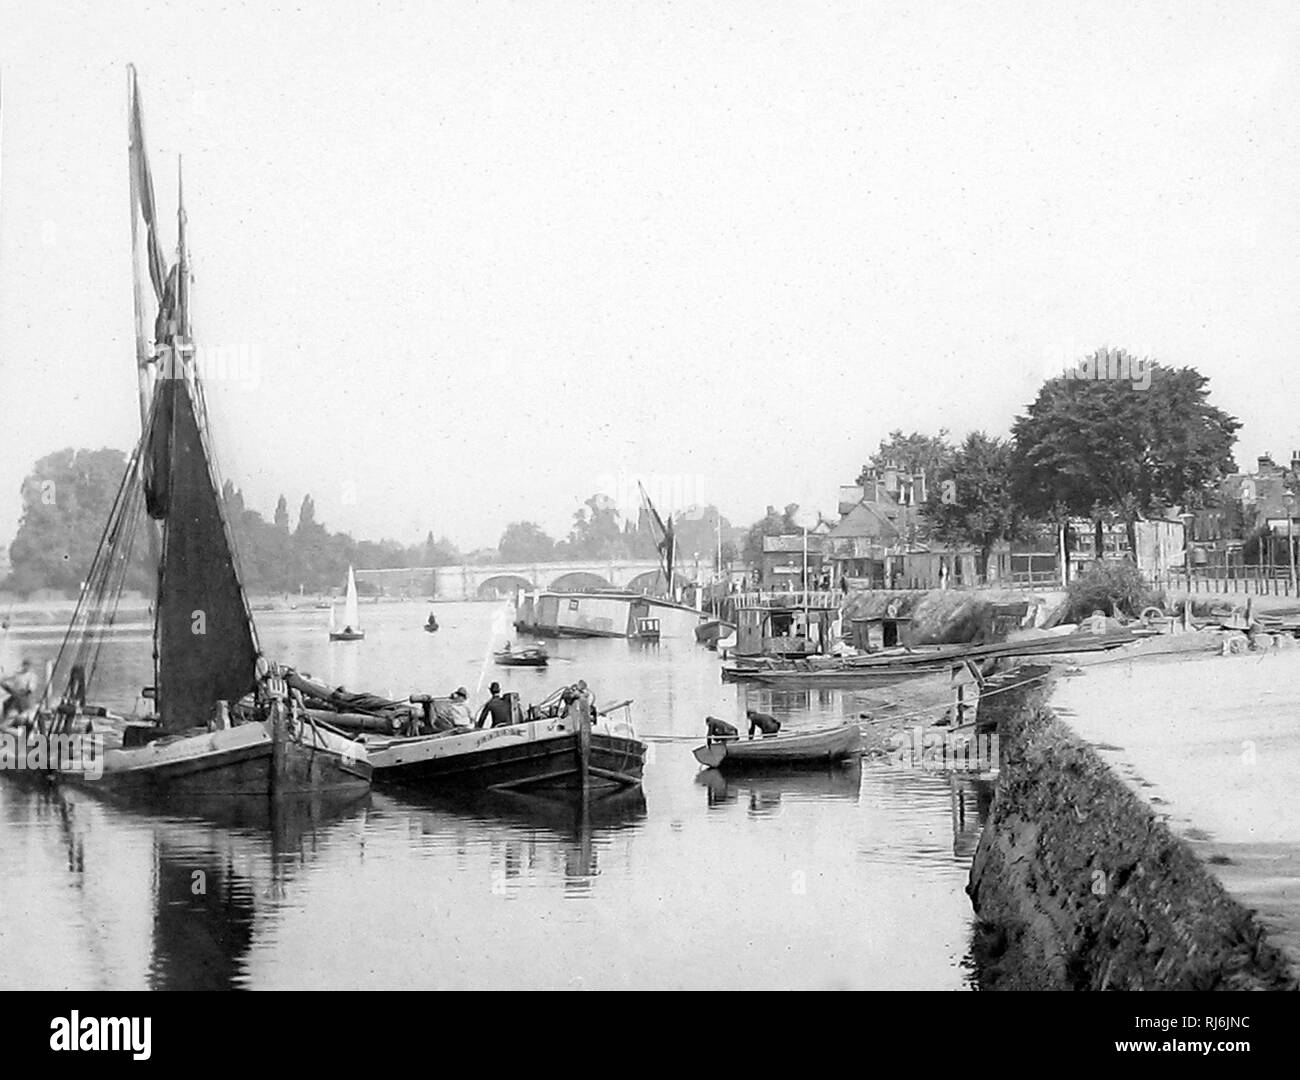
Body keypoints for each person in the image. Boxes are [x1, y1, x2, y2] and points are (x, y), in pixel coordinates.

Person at [1, 659, 38, 725]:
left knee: (23, 711)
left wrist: (20, 693)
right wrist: (3, 680)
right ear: (22, 665)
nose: (25, 667)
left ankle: (21, 723)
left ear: (30, 666)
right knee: (6, 703)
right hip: (15, 695)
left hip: (25, 697)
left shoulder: (32, 676)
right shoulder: (18, 674)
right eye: (24, 665)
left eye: (27, 665)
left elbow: (30, 689)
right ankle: (4, 720)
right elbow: (7, 679)